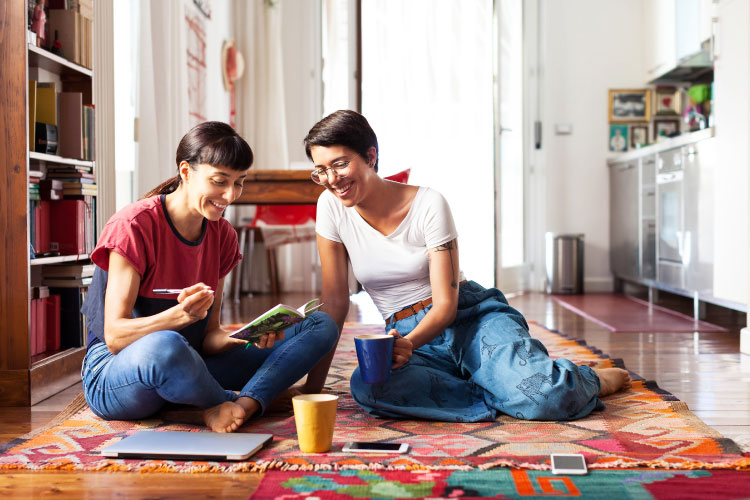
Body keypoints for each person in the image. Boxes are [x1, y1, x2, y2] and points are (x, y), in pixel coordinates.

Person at [303, 110, 631, 423]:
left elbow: (446, 305)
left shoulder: (428, 203)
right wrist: (310, 390)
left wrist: (409, 345)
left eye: (340, 164)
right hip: (407, 335)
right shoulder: (330, 207)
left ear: (371, 156)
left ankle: (586, 379)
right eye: (321, 170)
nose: (332, 179)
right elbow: (334, 303)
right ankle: (503, 388)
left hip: (469, 318)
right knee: (367, 386)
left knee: (545, 396)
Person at [81, 121, 338, 433]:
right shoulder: (134, 225)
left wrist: (247, 336)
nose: (230, 195)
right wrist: (178, 316)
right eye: (219, 181)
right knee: (166, 345)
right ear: (186, 172)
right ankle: (217, 403)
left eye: (239, 183)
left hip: (192, 364)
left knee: (318, 324)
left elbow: (209, 339)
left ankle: (245, 404)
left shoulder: (222, 235)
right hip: (118, 373)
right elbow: (115, 336)